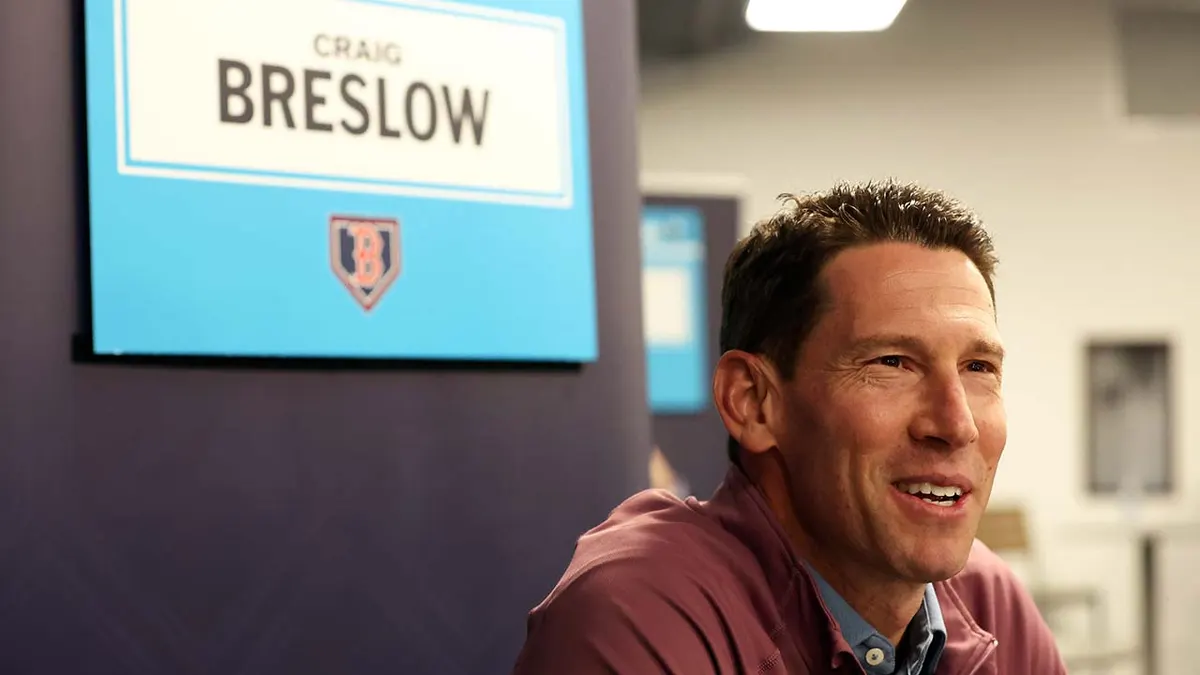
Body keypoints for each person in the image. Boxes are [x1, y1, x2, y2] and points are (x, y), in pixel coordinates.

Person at [511, 180, 1067, 674]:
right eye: (892, 363)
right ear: (753, 402)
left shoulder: (987, 604)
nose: (957, 423)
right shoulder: (640, 613)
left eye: (978, 368)